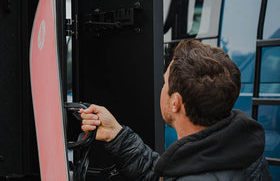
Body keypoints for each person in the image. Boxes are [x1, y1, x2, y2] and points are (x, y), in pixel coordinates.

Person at [80, 40, 272, 180]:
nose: (162, 88)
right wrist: (118, 136)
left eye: (165, 83)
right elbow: (164, 176)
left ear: (175, 103)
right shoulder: (245, 153)